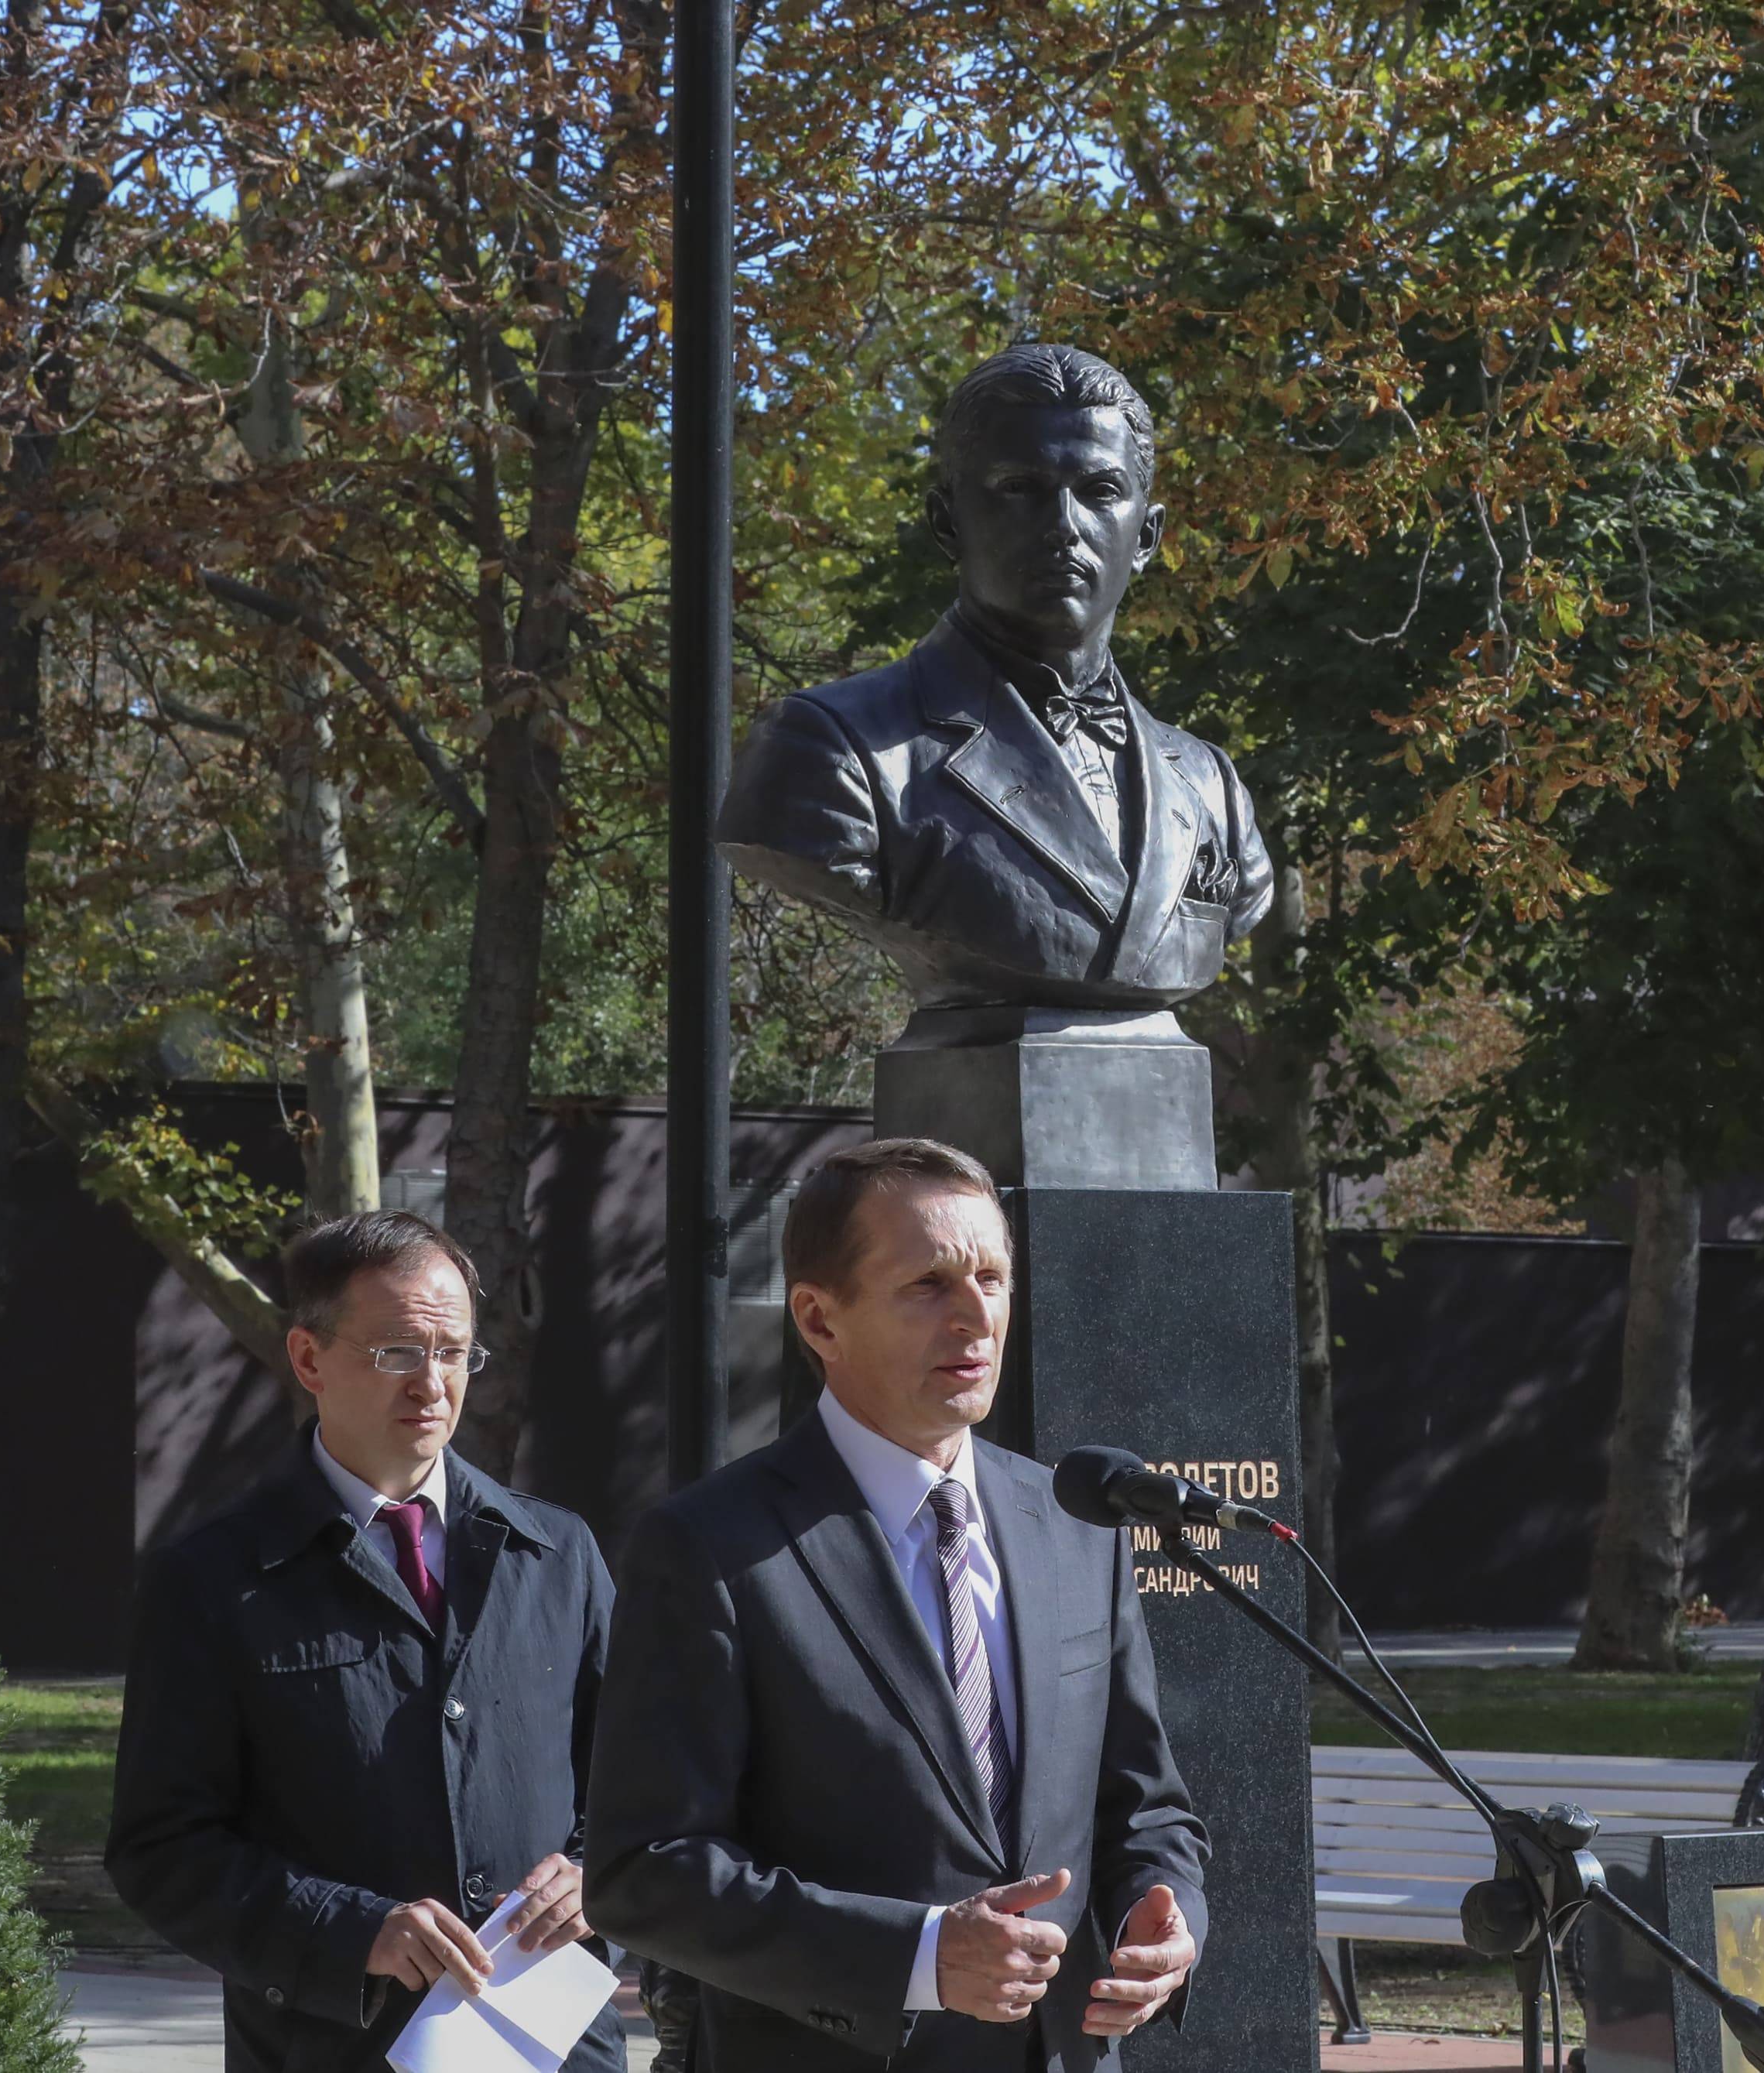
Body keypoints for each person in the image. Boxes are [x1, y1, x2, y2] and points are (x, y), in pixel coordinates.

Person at [583, 1136, 1210, 2071]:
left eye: (992, 1278)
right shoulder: (711, 1544)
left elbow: (1144, 1804)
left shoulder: (1074, 1523)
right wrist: (915, 1955)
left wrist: (1161, 1909)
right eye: (927, 1284)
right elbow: (643, 1874)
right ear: (818, 1317)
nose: (975, 1315)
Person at [105, 1212, 619, 2073]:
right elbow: (161, 1849)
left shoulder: (559, 1553)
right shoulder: (214, 1576)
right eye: (396, 1352)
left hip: (554, 2044)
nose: (431, 1382)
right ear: (308, 1358)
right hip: (333, 2045)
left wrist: (597, 1873)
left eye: (453, 1352)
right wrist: (354, 1930)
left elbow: (645, 1786)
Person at [714, 342, 1273, 1014]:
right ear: (947, 522)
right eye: (1020, 490)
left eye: (1100, 492)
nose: (1064, 528)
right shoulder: (831, 749)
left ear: (1147, 537)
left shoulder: (1212, 785)